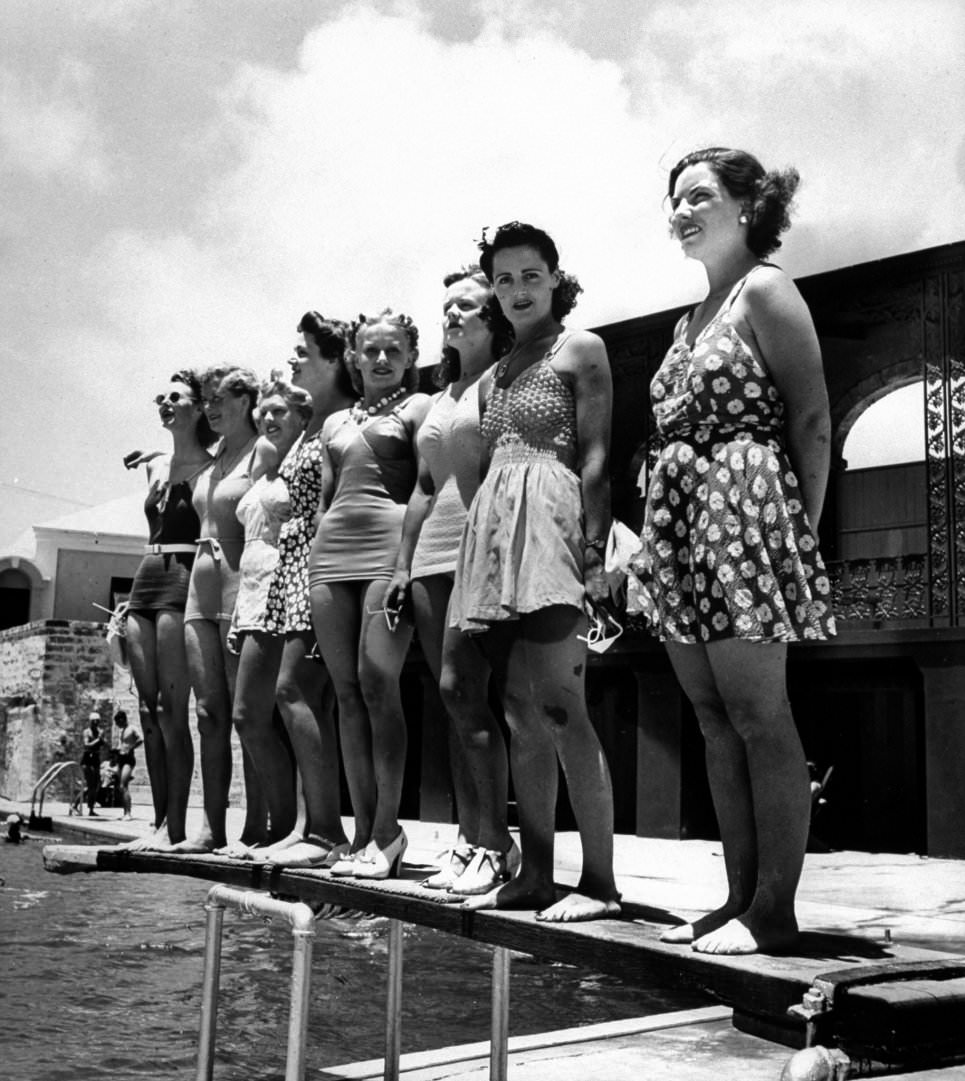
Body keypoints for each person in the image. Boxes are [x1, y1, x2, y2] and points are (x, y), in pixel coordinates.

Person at [629, 147, 835, 955]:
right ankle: (737, 896)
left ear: (748, 206)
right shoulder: (689, 317)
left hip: (745, 519)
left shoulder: (765, 288)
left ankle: (773, 908)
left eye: (698, 197)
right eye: (672, 199)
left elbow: (811, 418)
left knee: (758, 713)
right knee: (713, 720)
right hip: (680, 527)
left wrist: (793, 536)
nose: (679, 211)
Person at [447, 222, 621, 922]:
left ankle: (601, 882)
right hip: (496, 535)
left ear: (554, 277)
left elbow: (598, 454)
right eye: (504, 278)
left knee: (559, 706)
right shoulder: (498, 369)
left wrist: (594, 550)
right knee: (518, 712)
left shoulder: (581, 348)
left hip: (553, 525)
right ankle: (536, 872)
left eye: (529, 275)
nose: (517, 289)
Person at [385, 267, 514, 893]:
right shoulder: (442, 394)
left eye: (465, 305)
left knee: (469, 693)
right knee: (450, 699)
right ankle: (469, 838)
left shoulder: (502, 382)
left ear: (493, 317)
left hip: (478, 546)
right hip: (431, 553)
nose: (451, 315)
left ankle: (497, 840)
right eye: (447, 307)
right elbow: (424, 485)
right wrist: (401, 565)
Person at [308, 310, 431, 879]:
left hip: (389, 551)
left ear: (410, 354)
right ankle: (360, 833)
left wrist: (407, 563)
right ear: (354, 357)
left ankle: (388, 830)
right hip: (331, 557)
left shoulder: (418, 408)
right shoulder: (332, 423)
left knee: (379, 685)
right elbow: (327, 500)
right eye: (371, 351)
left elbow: (425, 489)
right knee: (346, 693)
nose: (382, 360)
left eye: (394, 350)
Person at [251, 314, 357, 868]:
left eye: (305, 350)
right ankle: (308, 823)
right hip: (294, 570)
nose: (295, 356)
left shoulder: (341, 421)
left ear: (334, 359)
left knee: (295, 689)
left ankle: (325, 828)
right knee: (296, 695)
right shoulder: (315, 422)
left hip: (319, 566)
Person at [124, 370, 216, 848]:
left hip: (182, 576)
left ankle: (176, 828)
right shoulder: (155, 466)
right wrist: (157, 454)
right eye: (161, 396)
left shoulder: (212, 468)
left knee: (169, 709)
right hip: (144, 577)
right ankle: (158, 823)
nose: (164, 402)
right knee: (144, 708)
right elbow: (162, 458)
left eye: (176, 397)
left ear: (199, 407)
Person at [175, 366, 263, 854]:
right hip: (198, 590)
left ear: (247, 400)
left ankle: (256, 825)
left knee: (248, 712)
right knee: (208, 713)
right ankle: (210, 827)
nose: (210, 407)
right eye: (206, 399)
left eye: (220, 399)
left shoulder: (262, 451)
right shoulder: (211, 461)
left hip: (237, 585)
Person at [113, 710, 143, 820]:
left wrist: (131, 748)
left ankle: (128, 813)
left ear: (122, 719)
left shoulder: (132, 728)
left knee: (123, 785)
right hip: (121, 759)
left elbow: (140, 739)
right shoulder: (123, 730)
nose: (117, 725)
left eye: (117, 722)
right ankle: (125, 812)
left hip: (128, 760)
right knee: (121, 787)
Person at [80, 712, 105, 816]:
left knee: (95, 785)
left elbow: (103, 744)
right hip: (88, 759)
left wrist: (102, 740)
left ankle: (90, 808)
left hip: (95, 759)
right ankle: (86, 806)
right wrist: (98, 740)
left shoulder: (100, 732)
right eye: (94, 721)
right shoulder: (87, 732)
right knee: (90, 785)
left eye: (97, 721)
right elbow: (86, 745)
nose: (95, 723)